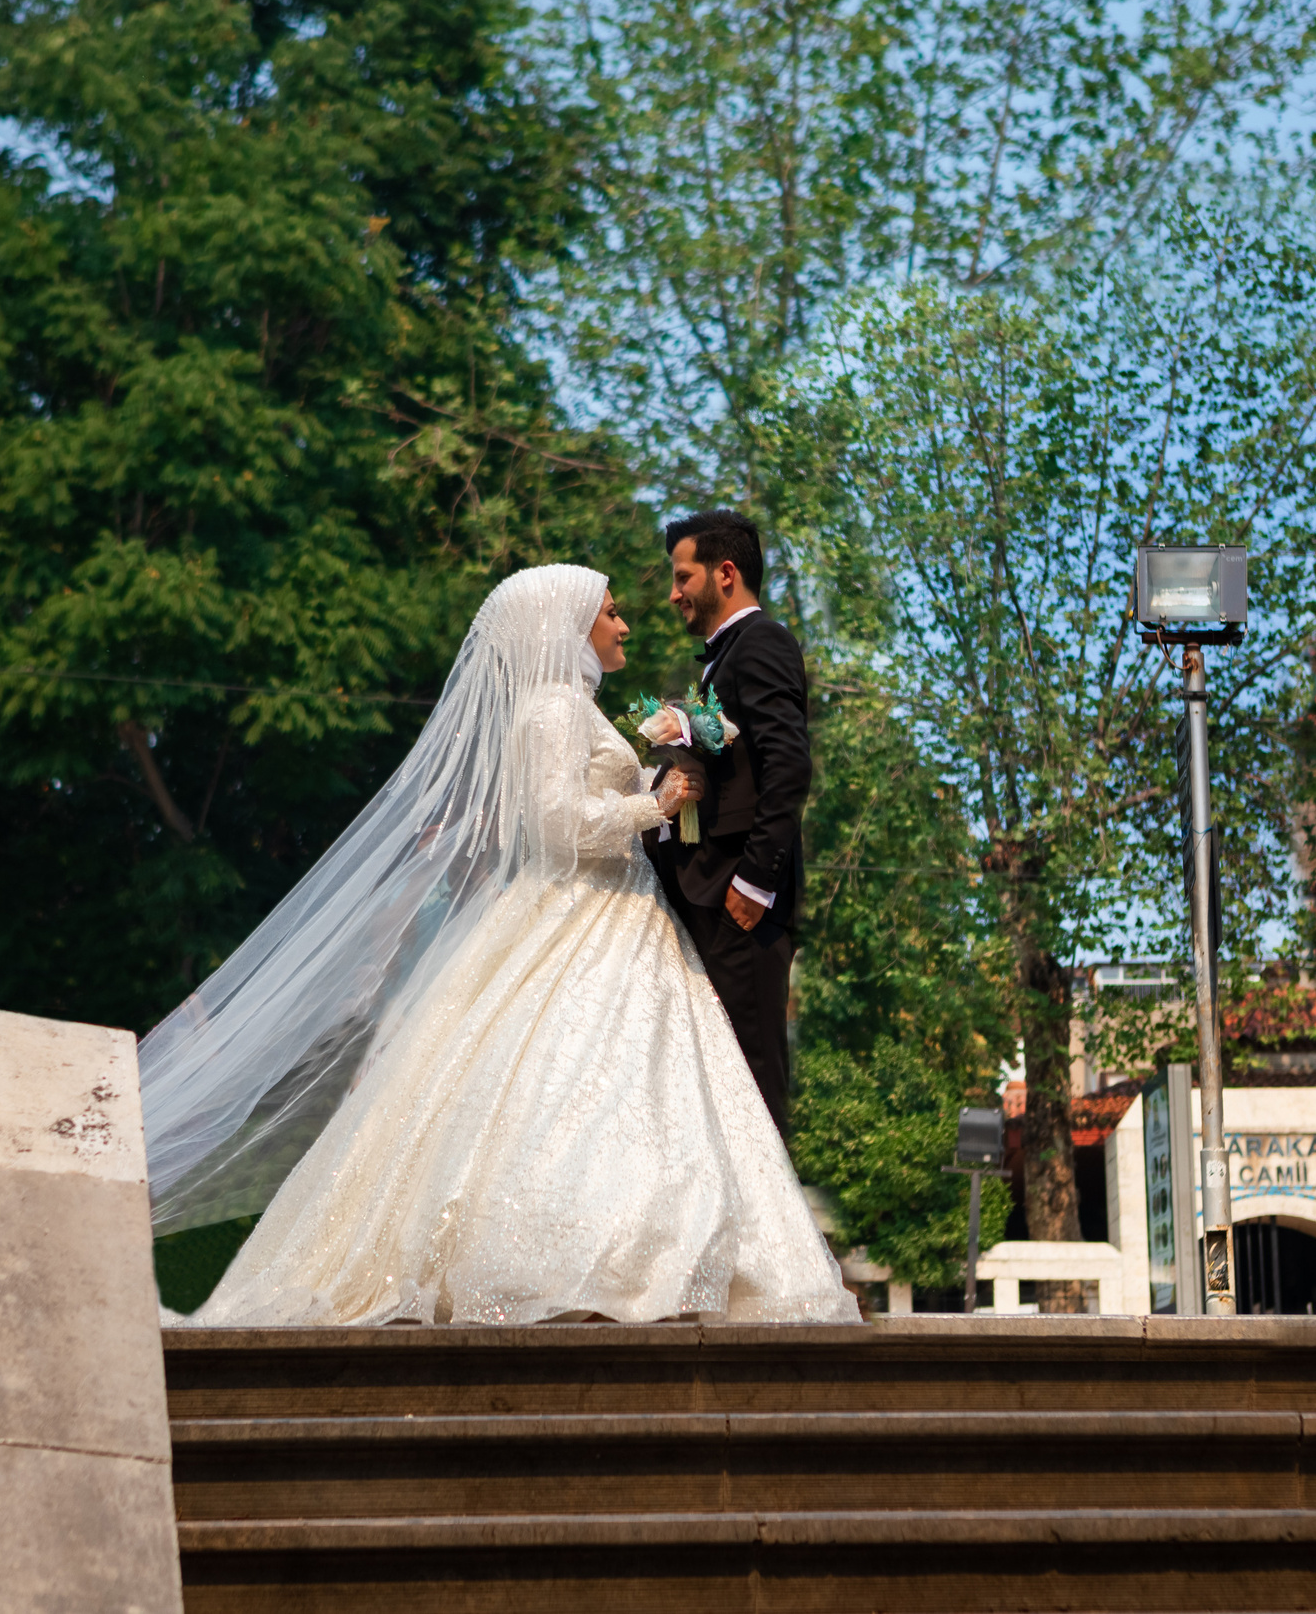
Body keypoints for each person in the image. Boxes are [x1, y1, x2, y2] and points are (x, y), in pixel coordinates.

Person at [135, 564, 859, 1327]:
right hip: (585, 912)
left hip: (621, 913)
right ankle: (582, 1257)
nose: (623, 626)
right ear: (567, 626)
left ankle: (654, 1255)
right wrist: (656, 803)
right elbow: (555, 823)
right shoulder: (551, 708)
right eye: (609, 614)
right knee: (573, 1080)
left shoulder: (572, 707)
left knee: (624, 1085)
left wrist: (671, 770)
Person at [646, 511, 810, 1134]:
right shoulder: (723, 659)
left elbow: (788, 764)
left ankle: (770, 1232)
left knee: (753, 1089)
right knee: (724, 1089)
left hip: (743, 905)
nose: (673, 592)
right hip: (713, 898)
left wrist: (754, 882)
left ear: (726, 573)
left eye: (683, 576)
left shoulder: (763, 642)